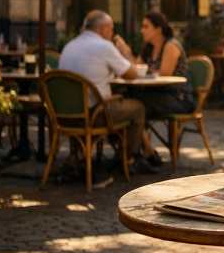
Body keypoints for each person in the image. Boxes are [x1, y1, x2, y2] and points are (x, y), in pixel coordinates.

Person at [59, 10, 156, 174]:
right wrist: (125, 52)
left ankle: (79, 157)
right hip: (94, 115)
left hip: (63, 116)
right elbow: (131, 74)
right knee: (137, 108)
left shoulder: (70, 45)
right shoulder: (104, 46)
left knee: (117, 103)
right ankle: (129, 159)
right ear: (103, 28)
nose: (112, 34)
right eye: (111, 29)